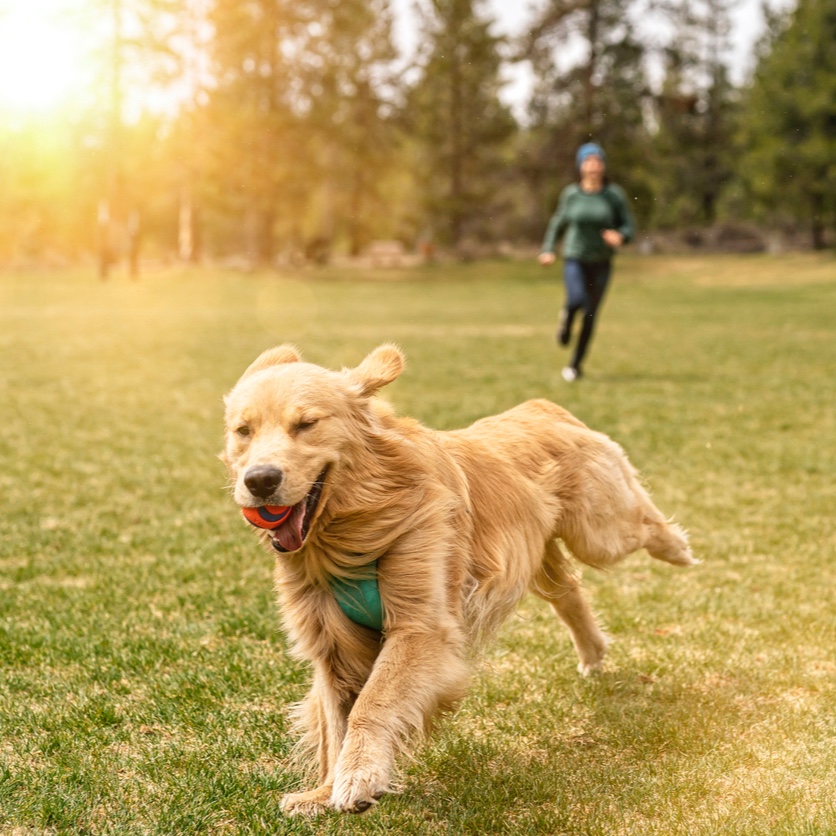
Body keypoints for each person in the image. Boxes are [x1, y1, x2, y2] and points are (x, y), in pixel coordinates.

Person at [538, 142, 635, 382]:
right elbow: (557, 223)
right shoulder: (571, 195)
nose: (593, 166)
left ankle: (575, 366)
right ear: (580, 166)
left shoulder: (613, 196)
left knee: (591, 315)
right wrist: (549, 249)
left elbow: (629, 226)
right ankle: (567, 321)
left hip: (602, 262)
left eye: (598, 161)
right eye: (588, 161)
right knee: (576, 299)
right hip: (575, 258)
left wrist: (620, 235)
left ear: (603, 166)